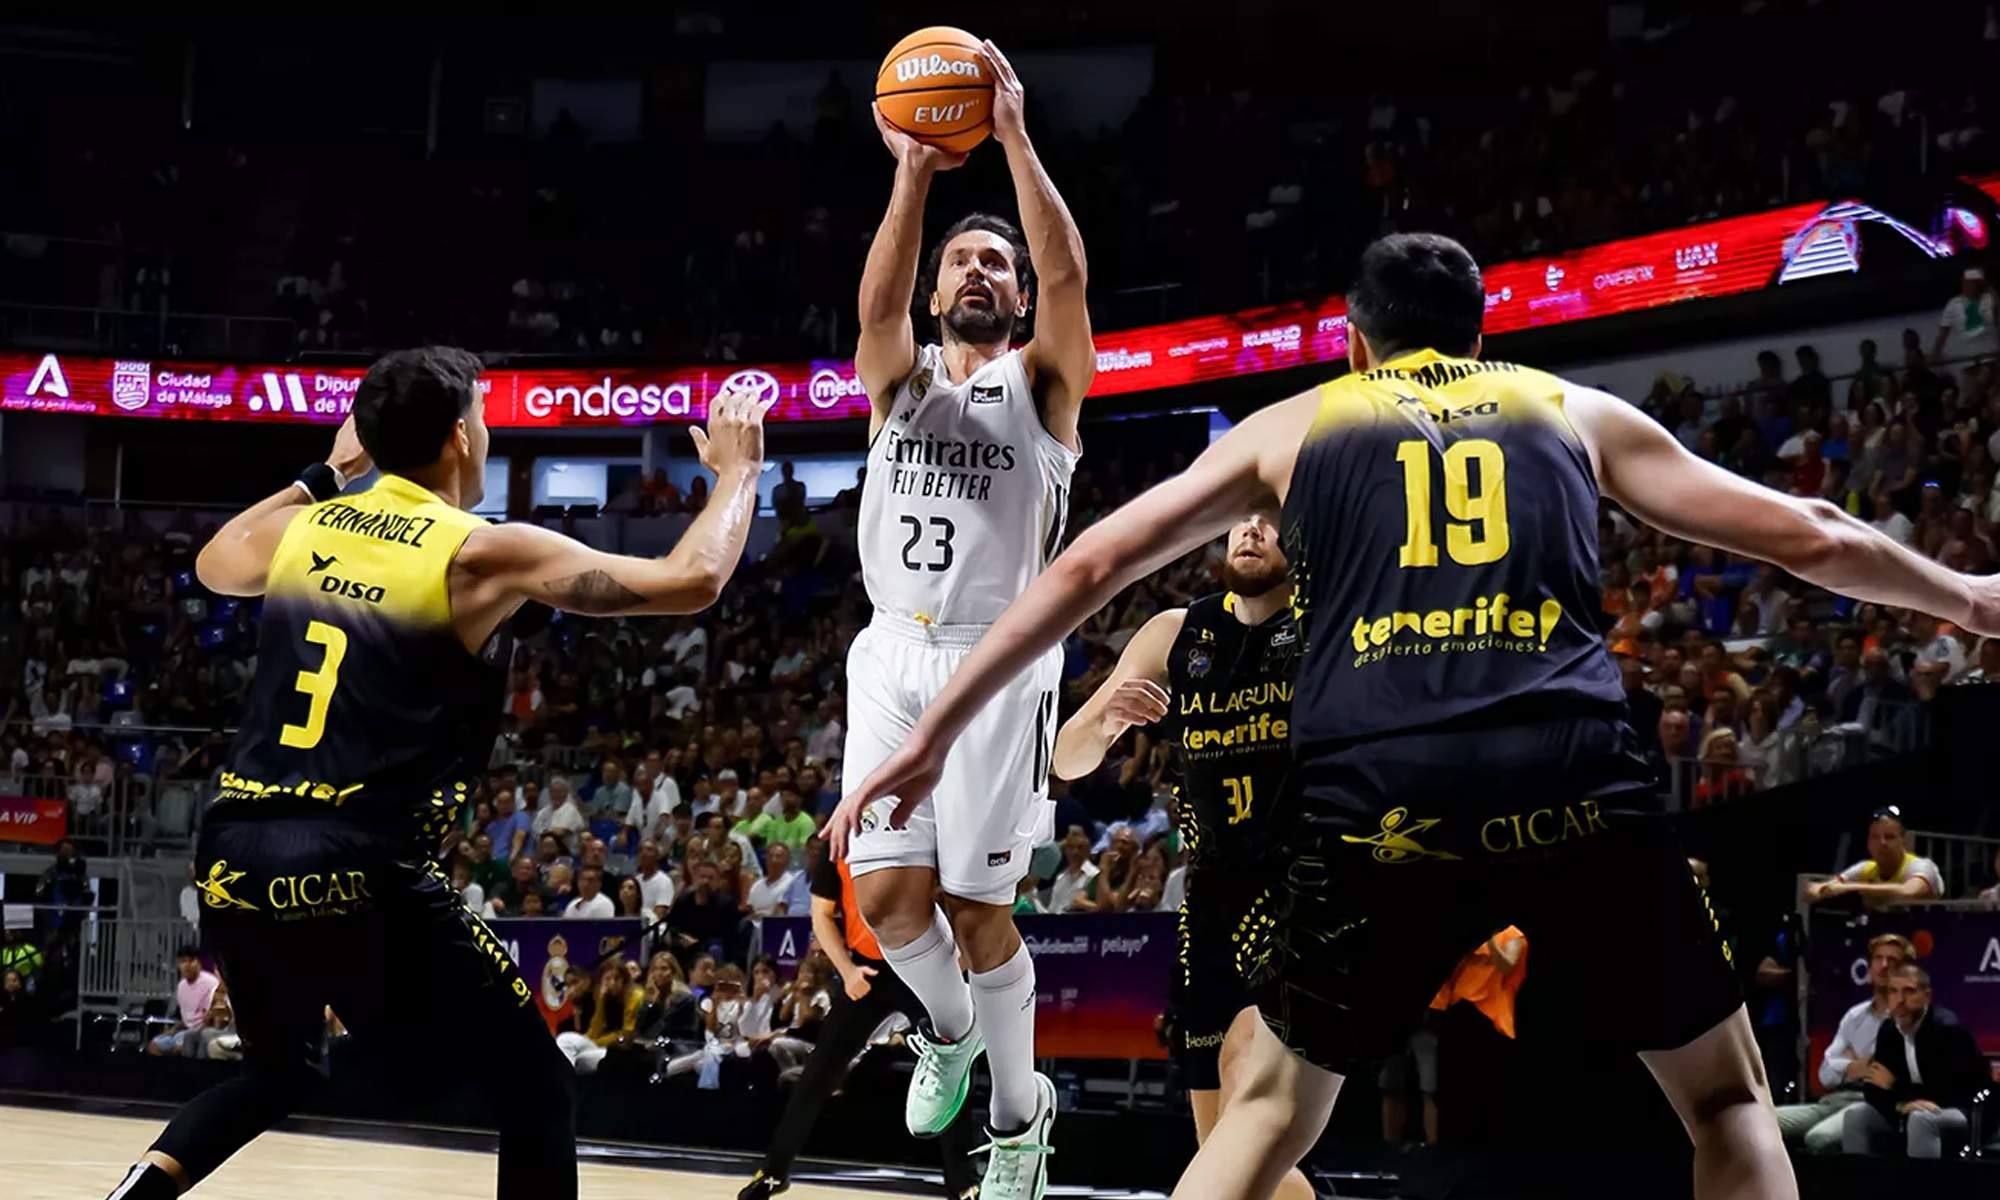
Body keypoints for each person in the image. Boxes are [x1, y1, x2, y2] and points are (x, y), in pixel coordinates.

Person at [832, 232, 2000, 1200]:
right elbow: (1807, 533)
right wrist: (1963, 598)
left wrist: (934, 733)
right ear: (1478, 336)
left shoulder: (1299, 423)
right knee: (1727, 1100)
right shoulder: (1561, 405)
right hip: (1572, 779)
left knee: (1266, 1111)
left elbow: (1089, 566)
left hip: (1381, 797)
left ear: (1354, 341)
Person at [103, 347, 774, 1200]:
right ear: (461, 436)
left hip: (234, 850)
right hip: (358, 858)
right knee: (535, 1087)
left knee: (278, 1073)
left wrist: (328, 472)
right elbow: (693, 578)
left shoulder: (305, 529)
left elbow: (215, 560)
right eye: (484, 418)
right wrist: (738, 473)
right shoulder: (475, 550)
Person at [835, 38, 1095, 1199]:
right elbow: (874, 305)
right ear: (938, 294)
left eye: (997, 262)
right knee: (888, 900)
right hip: (890, 650)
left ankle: (1018, 1117)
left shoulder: (1039, 387)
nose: (980, 271)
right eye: (961, 263)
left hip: (996, 661)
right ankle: (944, 1030)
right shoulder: (897, 384)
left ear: (1016, 297)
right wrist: (911, 173)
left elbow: (1070, 280)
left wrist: (1014, 138)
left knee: (977, 907)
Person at [1051, 514, 1315, 1200]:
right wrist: (1106, 721)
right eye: (1241, 520)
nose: (1251, 531)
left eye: (1270, 521)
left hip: (1301, 889)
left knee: (1244, 1088)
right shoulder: (1176, 633)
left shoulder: (1325, 622)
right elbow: (1067, 760)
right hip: (1209, 902)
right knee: (1226, 1152)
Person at [738, 841, 980, 1199]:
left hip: (923, 965)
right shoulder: (838, 841)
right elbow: (821, 915)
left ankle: (963, 1183)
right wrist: (847, 970)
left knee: (951, 1069)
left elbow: (960, 895)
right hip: (868, 971)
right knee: (817, 1073)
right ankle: (774, 1172)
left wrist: (962, 950)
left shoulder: (920, 829)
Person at [1773, 933, 1913, 1153]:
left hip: (1869, 1105)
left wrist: (1850, 1065)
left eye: (1892, 960)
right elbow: (1825, 1073)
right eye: (1878, 958)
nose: (1884, 966)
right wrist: (1857, 1066)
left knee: (1819, 1138)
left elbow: (1889, 1074)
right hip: (1833, 1100)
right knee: (1763, 1121)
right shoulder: (1854, 1016)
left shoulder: (1908, 1018)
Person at [1840, 964, 1988, 1158]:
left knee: (1921, 1119)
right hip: (1908, 1108)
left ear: (1926, 996)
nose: (1900, 1000)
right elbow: (1873, 1088)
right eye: (1893, 992)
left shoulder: (1948, 1030)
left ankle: (1920, 1179)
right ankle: (1860, 1178)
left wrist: (1895, 1087)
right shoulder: (1889, 1030)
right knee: (1856, 1116)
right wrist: (1900, 1105)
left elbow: (1944, 1095)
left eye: (1909, 991)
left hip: (1965, 1112)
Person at [1803, 807, 1942, 908]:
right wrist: (1818, 888)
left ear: (1903, 842)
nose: (1882, 843)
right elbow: (1832, 885)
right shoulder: (1865, 868)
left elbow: (1908, 891)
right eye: (1875, 837)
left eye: (1890, 837)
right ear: (1868, 843)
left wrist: (1850, 887)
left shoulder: (1922, 866)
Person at [147, 948, 220, 1058]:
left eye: (191, 961)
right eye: (183, 961)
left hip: (201, 1031)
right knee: (154, 1046)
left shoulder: (210, 983)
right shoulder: (181, 985)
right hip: (183, 1030)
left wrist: (193, 1033)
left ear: (199, 963)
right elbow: (187, 1018)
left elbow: (211, 1018)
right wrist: (173, 1030)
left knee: (178, 1048)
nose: (186, 965)